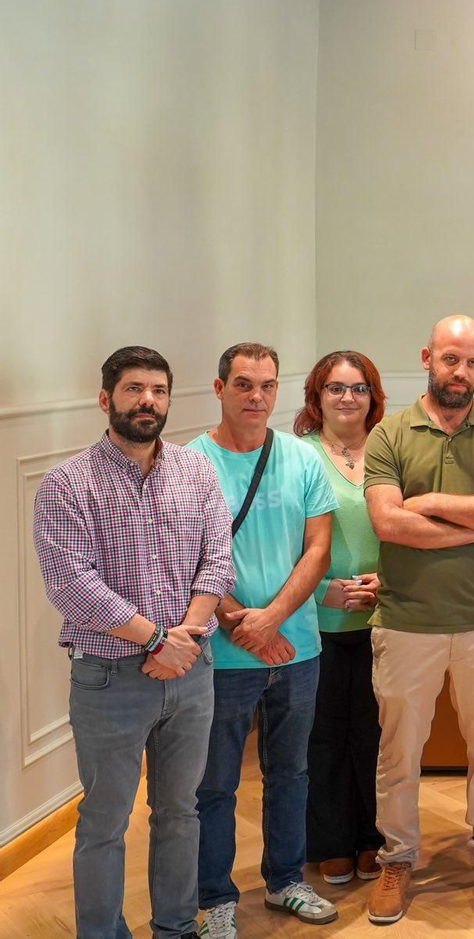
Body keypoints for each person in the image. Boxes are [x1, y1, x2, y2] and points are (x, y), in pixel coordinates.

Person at [34, 347, 235, 939]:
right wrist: (156, 640)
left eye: (158, 390)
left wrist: (186, 639)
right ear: (106, 400)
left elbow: (216, 563)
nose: (147, 400)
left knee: (180, 812)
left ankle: (175, 927)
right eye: (133, 389)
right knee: (104, 820)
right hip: (108, 679)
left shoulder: (196, 472)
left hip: (191, 671)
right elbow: (72, 584)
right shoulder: (68, 483)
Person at [362, 316, 474, 924]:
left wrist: (431, 504)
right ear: (428, 356)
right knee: (399, 751)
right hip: (407, 621)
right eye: (451, 359)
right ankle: (398, 858)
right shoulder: (389, 434)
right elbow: (388, 524)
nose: (461, 372)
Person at [191, 343, 339, 938]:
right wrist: (240, 625)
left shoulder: (303, 458)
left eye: (268, 386)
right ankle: (214, 899)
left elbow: (319, 548)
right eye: (245, 385)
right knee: (215, 785)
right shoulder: (189, 463)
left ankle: (285, 881)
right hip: (221, 656)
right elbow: (188, 558)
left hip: (297, 649)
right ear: (220, 387)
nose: (257, 397)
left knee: (291, 773)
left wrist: (272, 618)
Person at [295, 351, 387, 885]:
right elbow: (283, 538)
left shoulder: (390, 451)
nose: (347, 398)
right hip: (318, 624)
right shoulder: (298, 454)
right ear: (317, 396)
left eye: (358, 388)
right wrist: (320, 590)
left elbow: (409, 526)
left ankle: (374, 839)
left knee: (376, 737)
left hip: (384, 620)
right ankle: (329, 841)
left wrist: (387, 582)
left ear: (373, 396)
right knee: (323, 737)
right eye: (335, 388)